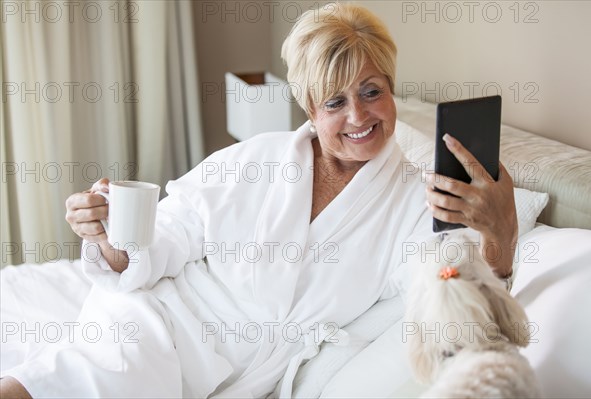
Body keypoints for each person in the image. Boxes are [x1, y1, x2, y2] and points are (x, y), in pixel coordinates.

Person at [0, 3, 516, 398]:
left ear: (392, 89)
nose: (358, 117)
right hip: (157, 319)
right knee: (90, 376)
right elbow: (167, 235)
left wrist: (499, 235)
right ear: (310, 108)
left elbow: (445, 292)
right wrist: (108, 234)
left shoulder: (413, 201)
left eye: (372, 91)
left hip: (236, 369)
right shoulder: (257, 158)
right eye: (336, 101)